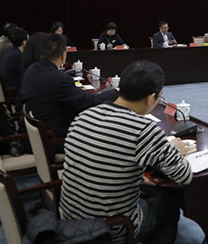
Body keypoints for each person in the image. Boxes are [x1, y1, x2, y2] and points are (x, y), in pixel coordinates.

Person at [59, 60, 193, 244]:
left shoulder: (84, 116)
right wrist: (171, 150)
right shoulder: (143, 129)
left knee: (151, 191)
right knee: (168, 207)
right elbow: (184, 176)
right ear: (150, 98)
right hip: (109, 229)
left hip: (69, 219)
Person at [19, 33, 118, 141]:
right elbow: (91, 102)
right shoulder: (60, 79)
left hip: (33, 135)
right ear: (63, 55)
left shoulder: (31, 70)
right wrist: (116, 91)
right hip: (53, 138)